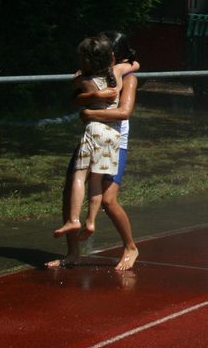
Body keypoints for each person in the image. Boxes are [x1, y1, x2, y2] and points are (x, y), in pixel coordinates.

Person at [47, 31, 140, 270]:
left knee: (108, 200)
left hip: (114, 142)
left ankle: (130, 246)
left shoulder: (127, 77)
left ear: (114, 56)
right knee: (71, 188)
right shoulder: (90, 75)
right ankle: (73, 253)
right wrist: (92, 98)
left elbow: (124, 113)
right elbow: (76, 99)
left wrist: (90, 113)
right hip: (91, 138)